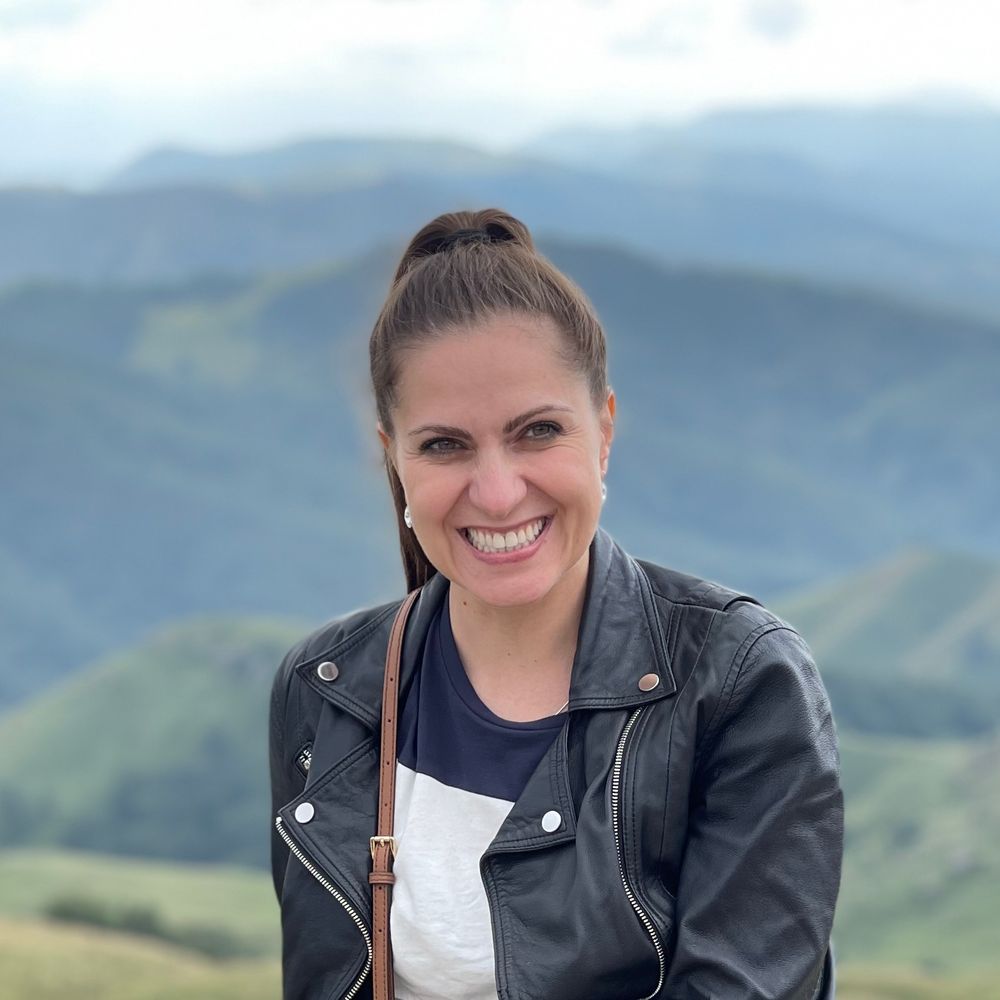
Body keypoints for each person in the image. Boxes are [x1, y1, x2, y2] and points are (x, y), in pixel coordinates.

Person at [269, 208, 844, 1000]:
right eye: (444, 445)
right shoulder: (326, 690)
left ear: (603, 431)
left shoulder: (738, 684)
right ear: (393, 459)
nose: (498, 492)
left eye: (538, 431)